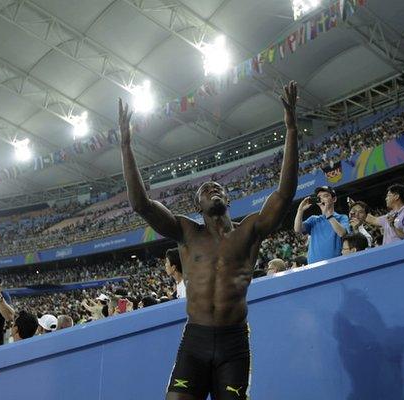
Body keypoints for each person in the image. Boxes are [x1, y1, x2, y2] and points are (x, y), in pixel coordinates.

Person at [120, 81, 300, 399]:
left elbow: (284, 194)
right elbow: (141, 205)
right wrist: (125, 147)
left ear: (228, 198)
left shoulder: (249, 231)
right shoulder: (187, 233)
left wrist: (291, 130)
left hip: (234, 343)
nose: (213, 188)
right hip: (196, 341)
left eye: (218, 187)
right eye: (205, 189)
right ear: (197, 206)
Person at [294, 186, 350, 263]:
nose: (322, 199)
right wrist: (300, 211)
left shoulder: (342, 217)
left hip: (335, 262)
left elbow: (342, 233)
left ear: (334, 199)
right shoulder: (314, 219)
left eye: (326, 196)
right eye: (319, 197)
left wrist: (328, 214)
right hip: (313, 264)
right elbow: (297, 229)